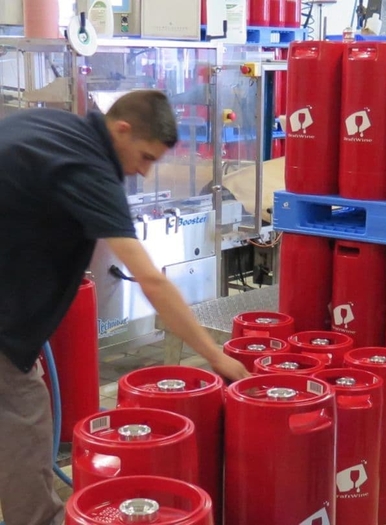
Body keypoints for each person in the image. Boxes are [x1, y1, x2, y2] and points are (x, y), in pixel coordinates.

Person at [0, 90, 250, 525]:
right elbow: (151, 280)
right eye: (146, 156)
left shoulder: (56, 128)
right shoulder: (89, 168)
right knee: (26, 423)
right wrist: (217, 357)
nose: (144, 170)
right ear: (122, 129)